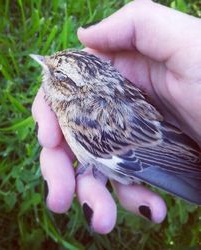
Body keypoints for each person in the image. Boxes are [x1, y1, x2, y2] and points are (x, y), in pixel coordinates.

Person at [32, 0, 201, 234]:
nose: (44, 63)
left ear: (70, 88)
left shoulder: (78, 119)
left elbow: (138, 157)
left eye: (56, 74)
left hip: (167, 152)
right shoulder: (90, 99)